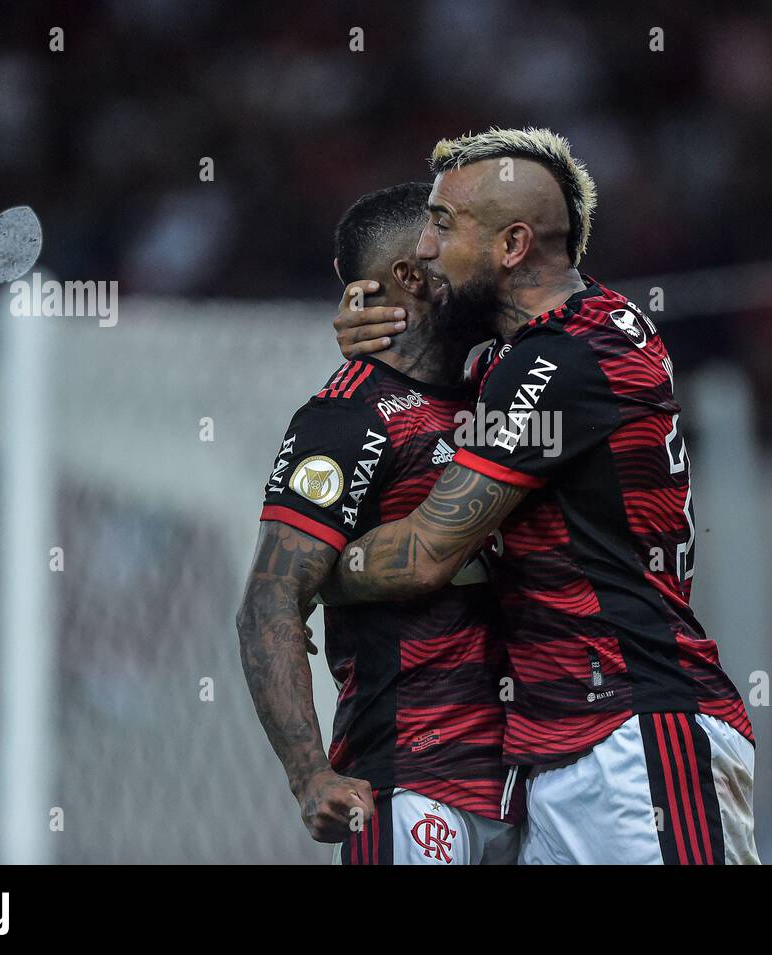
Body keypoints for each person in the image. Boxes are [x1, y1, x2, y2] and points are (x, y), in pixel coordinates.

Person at [323, 128, 759, 864]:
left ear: (513, 245)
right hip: (564, 747)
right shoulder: (543, 346)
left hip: (639, 733)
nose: (425, 249)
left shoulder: (565, 358)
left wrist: (314, 570)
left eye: (443, 224)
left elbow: (429, 551)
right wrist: (389, 330)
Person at [236, 182, 521, 865]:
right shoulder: (346, 416)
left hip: (529, 779)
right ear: (410, 274)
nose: (471, 260)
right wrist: (310, 775)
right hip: (414, 782)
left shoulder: (506, 393)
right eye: (448, 243)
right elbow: (269, 597)